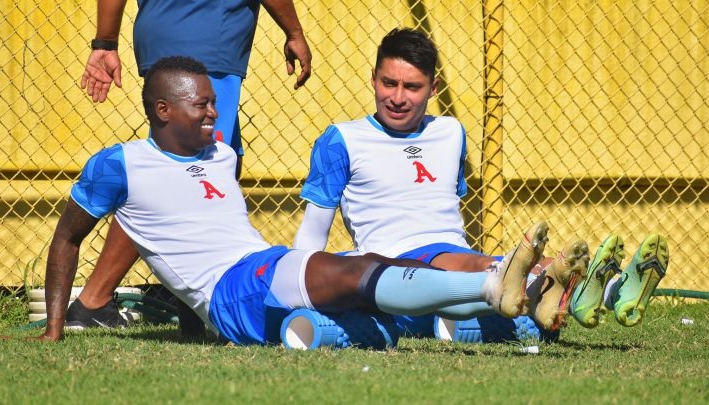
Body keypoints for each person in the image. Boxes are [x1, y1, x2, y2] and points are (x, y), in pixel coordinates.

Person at [36, 56, 549, 343]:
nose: (214, 113)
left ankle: (510, 290)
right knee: (354, 272)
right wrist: (55, 329)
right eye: (202, 105)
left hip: (260, 265)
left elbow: (184, 231)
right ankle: (492, 285)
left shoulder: (220, 154)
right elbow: (66, 239)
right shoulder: (119, 164)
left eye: (214, 102)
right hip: (232, 291)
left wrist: (192, 325)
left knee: (375, 268)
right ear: (163, 110)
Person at [293, 28, 669, 332]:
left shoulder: (450, 132)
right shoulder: (342, 139)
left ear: (433, 88)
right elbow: (312, 234)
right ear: (373, 79)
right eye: (388, 83)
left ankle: (614, 291)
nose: (397, 97)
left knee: (487, 263)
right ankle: (594, 289)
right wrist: (298, 285)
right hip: (395, 261)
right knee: (481, 265)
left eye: (412, 87)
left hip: (456, 255)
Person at [72, 0, 312, 331]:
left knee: (217, 166)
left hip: (163, 35)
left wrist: (105, 43)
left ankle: (190, 315)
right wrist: (294, 32)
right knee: (187, 174)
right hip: (210, 40)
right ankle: (94, 300)